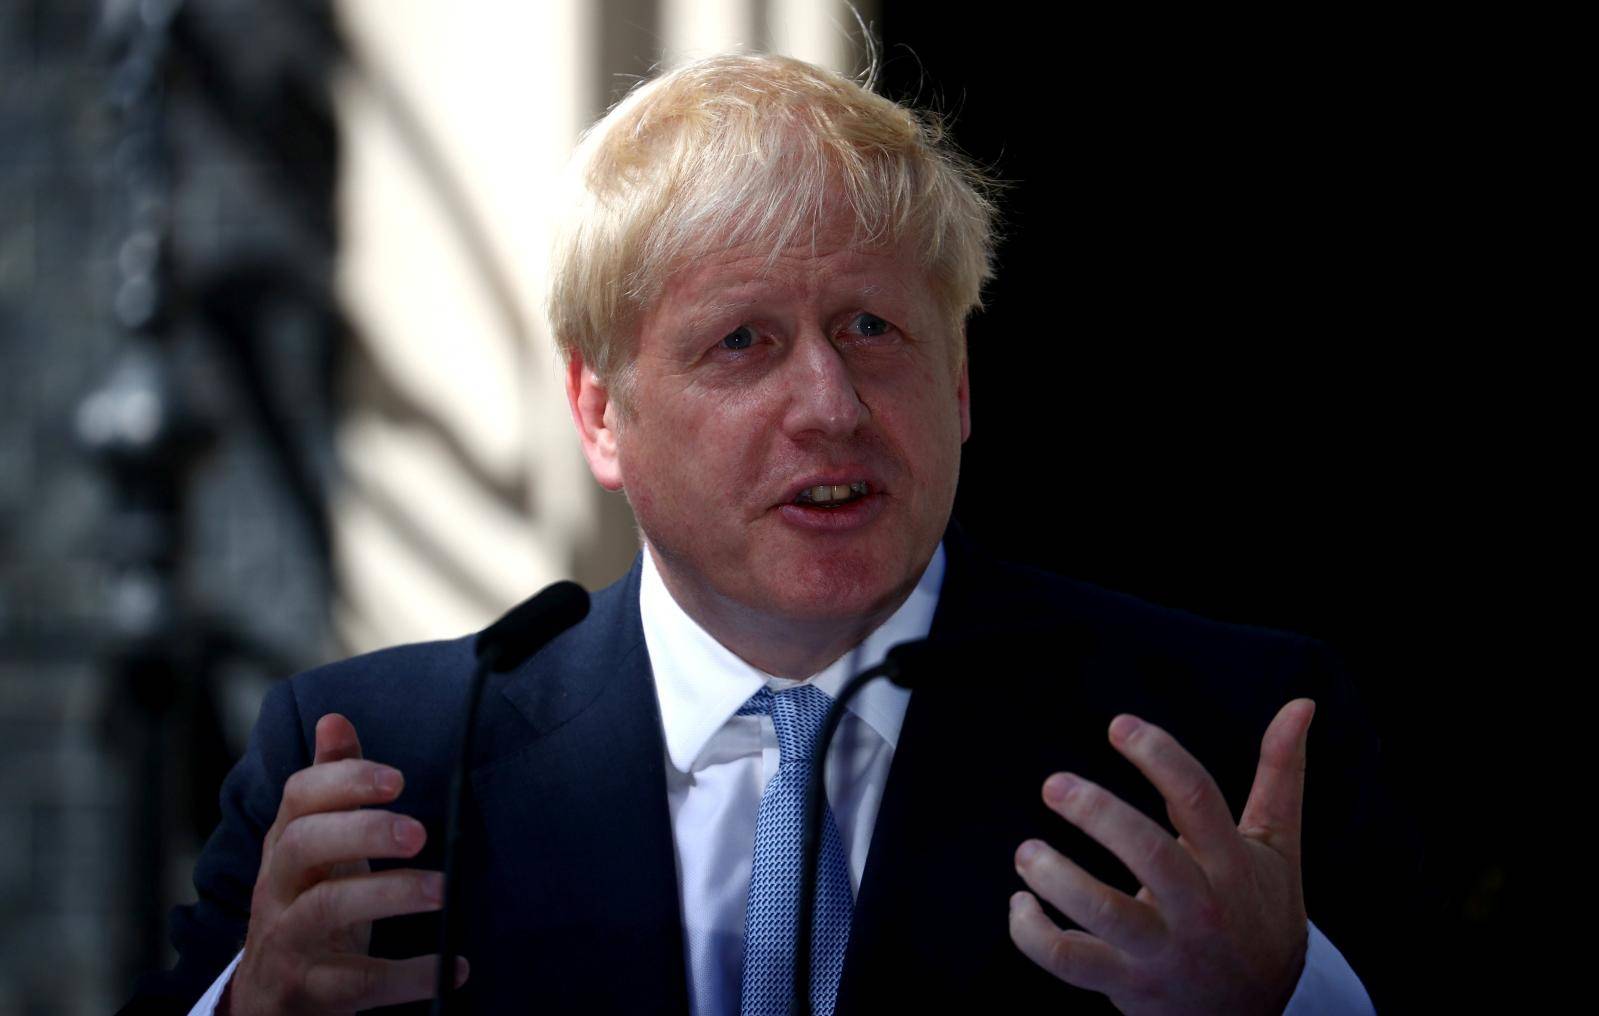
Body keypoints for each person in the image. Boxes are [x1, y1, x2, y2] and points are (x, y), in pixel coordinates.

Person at [124, 53, 1414, 1015]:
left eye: (874, 329)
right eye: (743, 341)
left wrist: (1284, 998)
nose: (831, 407)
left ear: (959, 385)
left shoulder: (1228, 749)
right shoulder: (386, 771)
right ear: (599, 410)